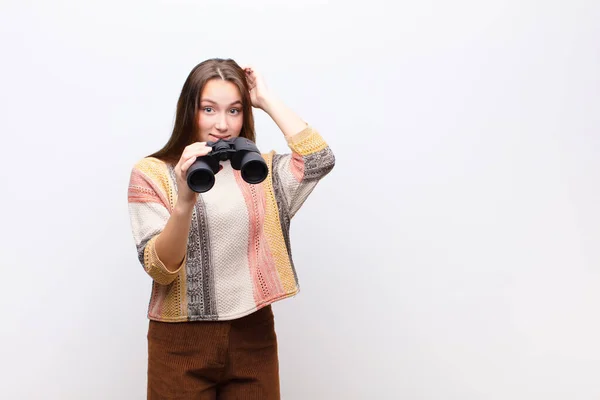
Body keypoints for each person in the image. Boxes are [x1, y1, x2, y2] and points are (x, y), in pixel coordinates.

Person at [127, 58, 335, 399]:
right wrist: (184, 200)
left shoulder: (261, 172)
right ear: (188, 110)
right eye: (208, 109)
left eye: (234, 111)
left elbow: (318, 159)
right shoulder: (153, 174)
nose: (222, 124)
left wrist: (266, 99)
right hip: (180, 341)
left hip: (253, 332)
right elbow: (159, 269)